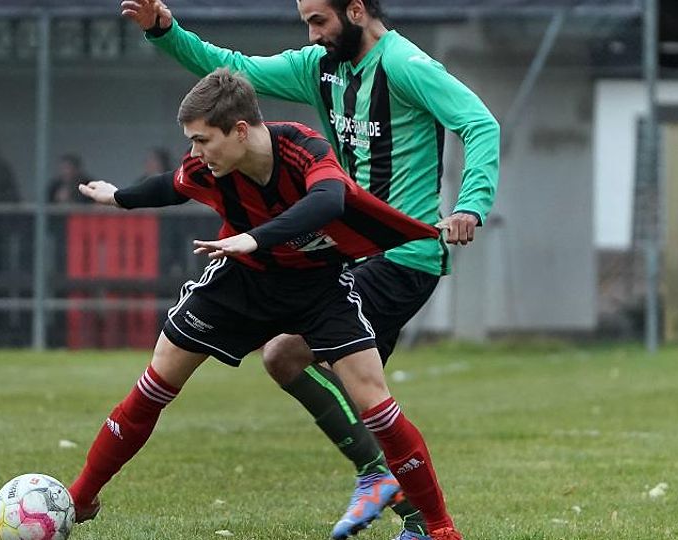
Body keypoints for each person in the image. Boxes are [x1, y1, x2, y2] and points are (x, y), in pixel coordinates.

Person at [121, 1, 500, 538]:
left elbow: (479, 123)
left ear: (356, 10)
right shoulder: (320, 68)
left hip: (399, 257)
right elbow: (230, 67)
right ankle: (417, 519)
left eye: (319, 20)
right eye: (306, 21)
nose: (312, 32)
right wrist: (164, 30)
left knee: (287, 355)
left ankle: (381, 479)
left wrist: (470, 204)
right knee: (328, 376)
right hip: (349, 255)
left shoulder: (407, 67)